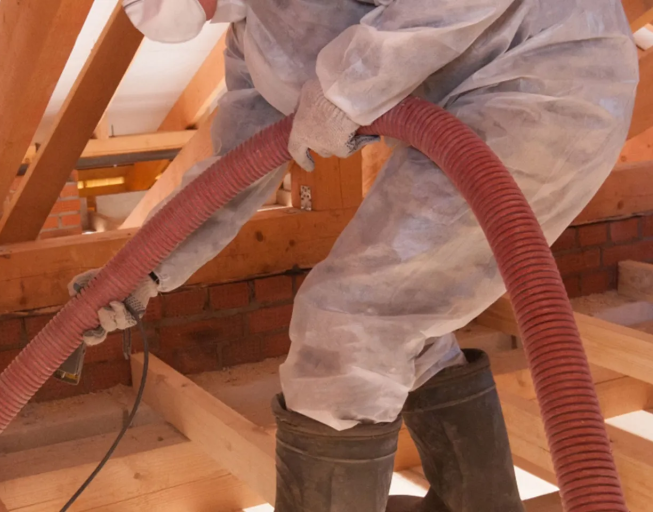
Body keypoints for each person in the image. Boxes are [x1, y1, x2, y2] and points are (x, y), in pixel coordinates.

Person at [71, 0, 639, 510]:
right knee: (394, 326)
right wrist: (144, 269)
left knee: (347, 322)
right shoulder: (252, 37)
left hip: (545, 80)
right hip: (470, 115)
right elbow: (233, 168)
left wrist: (347, 87)